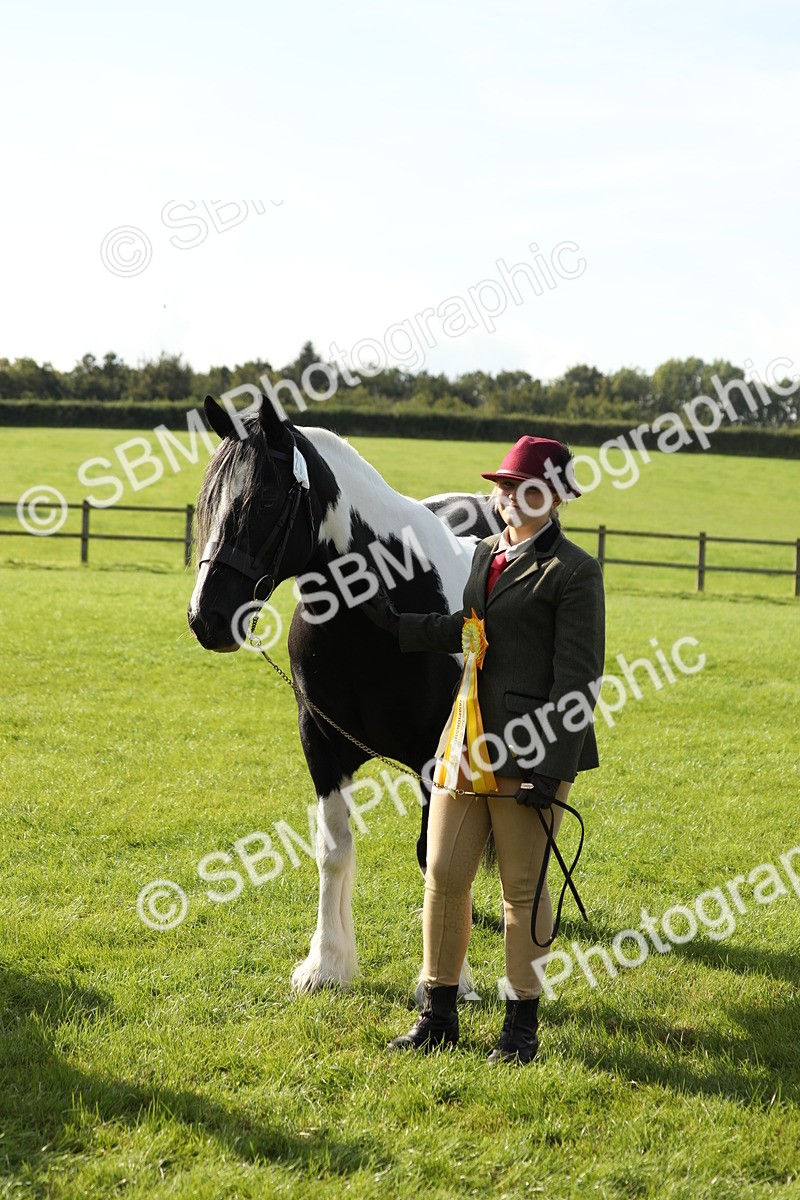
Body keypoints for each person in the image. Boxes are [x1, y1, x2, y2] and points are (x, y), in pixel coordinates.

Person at [361, 436, 606, 1064]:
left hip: (528, 753)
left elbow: (577, 683)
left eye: (519, 486)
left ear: (552, 497)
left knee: (521, 891)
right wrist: (393, 625)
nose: (505, 498)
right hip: (464, 740)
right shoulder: (485, 556)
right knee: (443, 876)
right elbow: (469, 632)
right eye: (501, 486)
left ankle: (520, 1028)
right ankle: (437, 1015)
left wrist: (550, 773)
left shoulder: (574, 572)